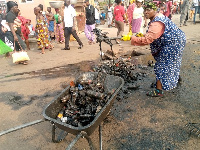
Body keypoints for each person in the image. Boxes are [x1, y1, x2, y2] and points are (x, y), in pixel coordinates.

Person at [131, 2, 186, 97]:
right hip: (177, 40)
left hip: (172, 43)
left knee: (161, 65)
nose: (146, 12)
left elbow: (148, 39)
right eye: (145, 10)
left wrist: (133, 39)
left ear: (155, 10)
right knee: (173, 62)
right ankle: (175, 78)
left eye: (149, 10)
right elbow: (155, 34)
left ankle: (158, 91)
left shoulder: (157, 22)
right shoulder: (158, 17)